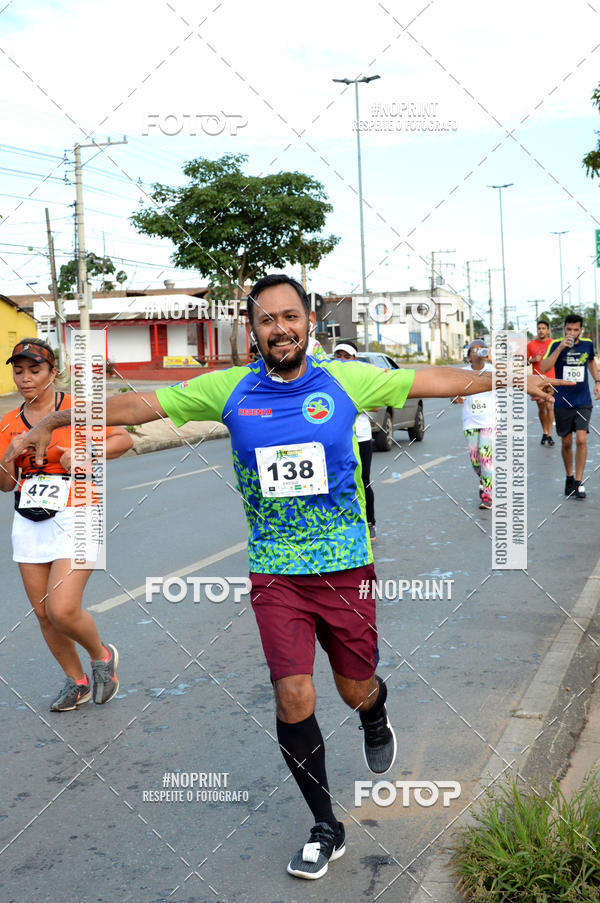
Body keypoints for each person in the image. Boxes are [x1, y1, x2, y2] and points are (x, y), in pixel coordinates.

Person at [11, 276, 564, 880]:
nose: (280, 328)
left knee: (355, 687)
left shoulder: (345, 380)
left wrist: (509, 378)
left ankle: (374, 712)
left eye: (290, 316)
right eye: (267, 319)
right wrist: (57, 417)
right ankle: (325, 826)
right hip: (275, 571)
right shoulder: (230, 388)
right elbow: (139, 407)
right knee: (293, 693)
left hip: (346, 566)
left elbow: (431, 381)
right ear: (253, 330)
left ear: (308, 323)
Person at [0, 338, 133, 711]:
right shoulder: (8, 422)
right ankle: (77, 682)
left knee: (62, 609)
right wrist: (8, 457)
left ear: (52, 372)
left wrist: (83, 453)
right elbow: (6, 484)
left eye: (35, 370)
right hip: (29, 517)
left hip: (80, 512)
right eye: (19, 371)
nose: (26, 378)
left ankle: (101, 655)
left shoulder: (75, 409)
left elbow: (123, 439)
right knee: (44, 614)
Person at [539, 314, 600, 499]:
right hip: (563, 400)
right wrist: (560, 348)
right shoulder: (555, 344)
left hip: (583, 401)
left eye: (576, 329)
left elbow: (591, 361)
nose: (572, 333)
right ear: (564, 328)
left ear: (581, 330)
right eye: (569, 329)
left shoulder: (587, 345)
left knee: (581, 439)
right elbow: (544, 367)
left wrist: (597, 381)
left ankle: (579, 482)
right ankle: (569, 477)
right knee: (566, 442)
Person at [333, 341, 377, 540]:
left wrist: (349, 400)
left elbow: (375, 405)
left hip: (360, 436)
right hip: (338, 438)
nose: (342, 360)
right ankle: (343, 523)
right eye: (338, 355)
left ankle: (370, 522)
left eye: (347, 356)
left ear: (354, 358)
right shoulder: (330, 377)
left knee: (363, 481)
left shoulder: (362, 377)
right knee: (338, 482)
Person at [452, 339, 495, 509]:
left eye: (481, 349)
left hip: (489, 420)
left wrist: (491, 359)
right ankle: (485, 480)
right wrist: (455, 398)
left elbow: (508, 377)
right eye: (474, 350)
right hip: (470, 421)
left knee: (486, 457)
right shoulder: (463, 372)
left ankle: (487, 495)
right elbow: (453, 394)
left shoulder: (492, 370)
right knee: (475, 461)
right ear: (469, 355)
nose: (478, 352)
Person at [527, 319, 555, 445]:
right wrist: (532, 360)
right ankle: (544, 432)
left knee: (549, 405)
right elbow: (523, 361)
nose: (541, 331)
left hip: (550, 379)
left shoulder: (553, 344)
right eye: (539, 328)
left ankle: (550, 435)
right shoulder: (531, 345)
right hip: (537, 381)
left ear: (548, 330)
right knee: (541, 407)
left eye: (543, 328)